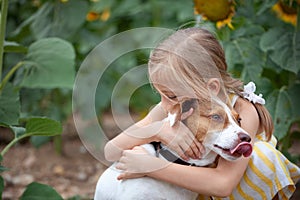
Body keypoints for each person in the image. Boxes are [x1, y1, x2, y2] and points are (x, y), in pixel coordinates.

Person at [102, 27, 300, 199]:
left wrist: (150, 166)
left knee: (261, 157)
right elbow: (110, 151)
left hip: (236, 190)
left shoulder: (244, 110)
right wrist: (156, 130)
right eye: (160, 94)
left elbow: (223, 184)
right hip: (195, 190)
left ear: (210, 88)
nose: (164, 104)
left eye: (171, 95)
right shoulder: (172, 107)